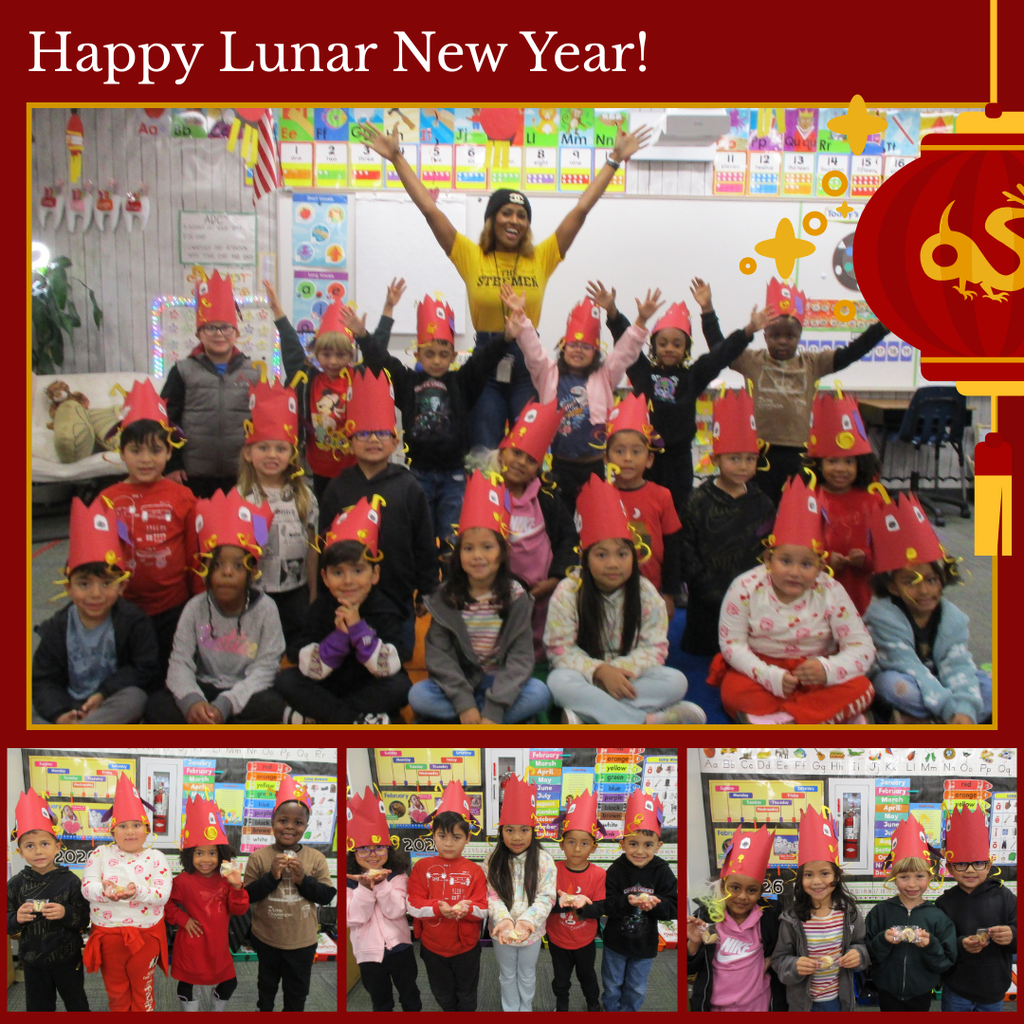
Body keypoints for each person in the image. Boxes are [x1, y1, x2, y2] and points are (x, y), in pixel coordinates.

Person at [359, 120, 653, 448]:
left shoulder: (542, 257)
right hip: (486, 362)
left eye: (521, 215)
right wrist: (398, 158)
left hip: (530, 363)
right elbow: (429, 210)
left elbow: (581, 209)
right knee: (484, 450)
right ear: (492, 219)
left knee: (528, 449)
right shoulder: (471, 255)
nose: (514, 220)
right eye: (506, 212)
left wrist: (613, 161)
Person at [589, 276, 774, 516]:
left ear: (685, 349)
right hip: (643, 457)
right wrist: (613, 311)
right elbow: (626, 342)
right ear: (653, 346)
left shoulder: (693, 376)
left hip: (679, 460)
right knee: (640, 510)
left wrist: (739, 326)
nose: (669, 348)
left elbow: (721, 354)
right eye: (663, 343)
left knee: (679, 513)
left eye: (677, 344)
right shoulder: (642, 371)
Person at [709, 277, 890, 506]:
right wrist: (708, 310)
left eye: (790, 336)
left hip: (799, 452)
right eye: (775, 336)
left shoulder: (812, 363)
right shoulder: (751, 361)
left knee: (794, 507)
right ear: (765, 336)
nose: (782, 342)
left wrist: (882, 328)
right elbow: (719, 350)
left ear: (799, 337)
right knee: (759, 507)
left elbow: (851, 353)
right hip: (759, 451)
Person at [712, 473, 876, 724]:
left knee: (863, 687)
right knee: (734, 692)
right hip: (761, 671)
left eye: (807, 564)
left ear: (821, 566)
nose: (795, 573)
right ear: (768, 560)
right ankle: (817, 717)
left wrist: (827, 669)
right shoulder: (745, 587)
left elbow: (862, 647)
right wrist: (769, 676)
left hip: (814, 674)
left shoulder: (830, 589)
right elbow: (732, 645)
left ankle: (784, 720)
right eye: (785, 561)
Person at [544, 476, 703, 724]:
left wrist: (617, 671)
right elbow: (559, 649)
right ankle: (645, 722)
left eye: (622, 554)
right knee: (557, 682)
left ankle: (589, 717)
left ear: (634, 555)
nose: (613, 564)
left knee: (675, 681)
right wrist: (600, 671)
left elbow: (655, 649)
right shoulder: (568, 592)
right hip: (585, 676)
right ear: (585, 558)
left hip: (630, 676)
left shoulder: (646, 593)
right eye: (601, 554)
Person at [360, 291, 509, 551]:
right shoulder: (407, 382)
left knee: (452, 539)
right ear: (418, 355)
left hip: (454, 477)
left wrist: (507, 335)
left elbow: (484, 360)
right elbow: (381, 361)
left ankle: (449, 584)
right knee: (422, 537)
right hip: (418, 474)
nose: (437, 360)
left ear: (453, 356)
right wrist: (362, 336)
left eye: (443, 353)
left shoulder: (462, 383)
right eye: (430, 354)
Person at [505, 284, 662, 512]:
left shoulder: (605, 375)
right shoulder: (548, 373)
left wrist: (640, 321)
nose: (578, 350)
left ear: (596, 352)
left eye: (586, 347)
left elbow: (625, 352)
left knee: (593, 516)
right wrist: (521, 315)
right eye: (573, 345)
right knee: (560, 516)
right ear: (563, 347)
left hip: (593, 466)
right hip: (558, 464)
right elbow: (533, 350)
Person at [412, 472, 550, 724]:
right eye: (468, 548)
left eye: (487, 547)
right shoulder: (445, 597)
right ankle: (475, 718)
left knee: (539, 693)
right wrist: (464, 704)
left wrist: (494, 709)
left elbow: (520, 658)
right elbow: (440, 656)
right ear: (458, 553)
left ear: (503, 552)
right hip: (459, 684)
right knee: (419, 695)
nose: (477, 556)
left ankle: (481, 720)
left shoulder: (516, 597)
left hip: (501, 683)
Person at [318, 367, 438, 656]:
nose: (373, 440)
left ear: (395, 442)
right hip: (345, 597)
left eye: (382, 433)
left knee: (398, 658)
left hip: (397, 599)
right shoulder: (337, 488)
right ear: (350, 440)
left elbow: (424, 543)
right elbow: (324, 542)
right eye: (363, 433)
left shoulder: (409, 487)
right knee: (347, 659)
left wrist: (426, 590)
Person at [145, 489, 288, 724]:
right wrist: (192, 702)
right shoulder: (194, 608)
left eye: (237, 566)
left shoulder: (266, 609)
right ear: (206, 569)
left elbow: (266, 667)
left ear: (252, 571)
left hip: (242, 693)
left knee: (271, 707)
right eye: (218, 564)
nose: (227, 572)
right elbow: (180, 662)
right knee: (156, 706)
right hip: (204, 688)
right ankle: (206, 722)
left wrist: (226, 705)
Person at [275, 496, 412, 724]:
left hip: (368, 686)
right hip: (327, 686)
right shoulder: (320, 609)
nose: (348, 581)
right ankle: (359, 720)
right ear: (325, 578)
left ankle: (324, 719)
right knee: (286, 681)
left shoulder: (385, 608)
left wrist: (359, 630)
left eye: (358, 571)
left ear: (375, 574)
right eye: (338, 573)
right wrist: (339, 638)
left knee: (401, 686)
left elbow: (388, 667)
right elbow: (306, 665)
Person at [263, 277, 402, 500]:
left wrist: (388, 307)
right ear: (317, 354)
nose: (333, 362)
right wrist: (276, 309)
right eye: (326, 355)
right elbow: (290, 345)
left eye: (341, 355)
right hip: (318, 469)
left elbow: (378, 348)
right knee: (326, 520)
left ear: (350, 355)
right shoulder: (307, 378)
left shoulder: (358, 376)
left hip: (356, 467)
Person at [863, 490, 991, 724]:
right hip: (905, 676)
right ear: (892, 587)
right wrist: (950, 709)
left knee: (990, 687)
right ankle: (941, 720)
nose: (924, 591)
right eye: (910, 582)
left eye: (931, 580)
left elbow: (957, 664)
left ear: (942, 579)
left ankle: (927, 720)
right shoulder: (882, 617)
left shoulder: (953, 618)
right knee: (894, 687)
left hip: (940, 681)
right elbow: (908, 665)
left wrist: (964, 708)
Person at [100, 377, 199, 670]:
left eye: (156, 451)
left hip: (174, 607)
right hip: (123, 607)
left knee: (173, 669)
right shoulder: (107, 499)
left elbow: (194, 553)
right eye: (135, 451)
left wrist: (198, 601)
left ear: (169, 453)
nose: (146, 460)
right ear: (121, 453)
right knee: (133, 669)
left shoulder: (183, 497)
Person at [32, 496, 159, 725]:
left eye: (106, 583)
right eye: (84, 584)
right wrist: (60, 713)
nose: (95, 594)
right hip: (68, 703)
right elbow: (43, 680)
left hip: (109, 700)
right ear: (69, 588)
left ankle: (80, 735)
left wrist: (104, 693)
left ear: (122, 587)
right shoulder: (57, 628)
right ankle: (79, 730)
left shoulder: (133, 621)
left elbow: (144, 668)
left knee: (136, 698)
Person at [679, 385, 775, 656]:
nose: (743, 466)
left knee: (746, 648)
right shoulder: (698, 499)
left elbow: (769, 547)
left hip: (750, 596)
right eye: (734, 458)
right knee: (705, 651)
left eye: (750, 459)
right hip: (706, 594)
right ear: (716, 459)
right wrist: (703, 584)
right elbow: (686, 547)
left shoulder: (763, 503)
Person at [162, 271, 263, 499]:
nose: (219, 334)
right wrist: (172, 464)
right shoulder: (182, 371)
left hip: (242, 472)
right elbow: (168, 419)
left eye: (225, 327)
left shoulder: (254, 372)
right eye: (210, 327)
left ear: (236, 332)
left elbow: (263, 422)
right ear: (199, 333)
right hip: (193, 474)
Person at [236, 374, 318, 647]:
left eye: (281, 448)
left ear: (292, 454)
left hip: (296, 592)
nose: (272, 455)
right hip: (253, 593)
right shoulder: (239, 497)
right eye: (263, 447)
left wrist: (314, 593)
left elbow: (313, 548)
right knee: (255, 652)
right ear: (248, 453)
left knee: (299, 651)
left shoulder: (304, 496)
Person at [243, 777, 336, 1012]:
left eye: (298, 822)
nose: (290, 827)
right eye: (283, 820)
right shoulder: (259, 857)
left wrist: (304, 880)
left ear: (306, 826)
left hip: (302, 941)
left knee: (297, 993)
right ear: (272, 822)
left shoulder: (316, 858)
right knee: (266, 986)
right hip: (267, 938)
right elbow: (247, 897)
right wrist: (271, 876)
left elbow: (326, 896)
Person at [81, 772, 171, 1012]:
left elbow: (162, 894)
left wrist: (137, 893)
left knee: (143, 989)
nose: (130, 831)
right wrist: (104, 891)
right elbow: (87, 888)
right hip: (109, 935)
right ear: (112, 831)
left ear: (147, 829)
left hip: (146, 934)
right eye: (122, 826)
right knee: (116, 990)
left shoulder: (157, 857)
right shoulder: (99, 854)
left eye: (136, 825)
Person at [496, 399, 579, 660]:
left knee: (541, 638)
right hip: (497, 593)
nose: (521, 462)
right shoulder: (486, 496)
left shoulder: (548, 500)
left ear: (538, 468)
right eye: (516, 453)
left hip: (544, 591)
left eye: (531, 460)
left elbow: (568, 538)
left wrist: (555, 578)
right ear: (502, 455)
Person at [773, 808, 868, 1012]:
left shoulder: (848, 912)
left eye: (825, 873)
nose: (817, 882)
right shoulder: (792, 918)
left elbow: (862, 944)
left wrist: (858, 954)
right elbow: (779, 960)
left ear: (837, 876)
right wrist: (794, 965)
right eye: (808, 875)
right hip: (802, 1004)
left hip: (839, 999)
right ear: (800, 879)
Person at [406, 781, 488, 1012]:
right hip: (433, 947)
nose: (449, 843)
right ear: (433, 835)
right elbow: (412, 905)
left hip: (467, 948)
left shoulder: (475, 870)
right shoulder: (422, 867)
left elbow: (484, 907)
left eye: (457, 837)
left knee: (467, 994)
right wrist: (436, 908)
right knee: (442, 993)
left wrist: (467, 908)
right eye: (442, 836)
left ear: (468, 839)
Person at [7, 788, 91, 1012]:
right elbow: (5, 922)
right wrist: (16, 918)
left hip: (68, 959)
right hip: (32, 962)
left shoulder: (71, 881)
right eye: (29, 846)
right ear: (21, 851)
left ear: (57, 846)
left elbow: (84, 919)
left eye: (44, 843)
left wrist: (66, 913)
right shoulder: (15, 884)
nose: (38, 851)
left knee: (77, 1003)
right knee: (38, 1007)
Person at [687, 823, 786, 1011]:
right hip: (716, 1007)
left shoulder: (769, 918)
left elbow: (783, 952)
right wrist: (693, 944)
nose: (742, 896)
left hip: (758, 1005)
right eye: (735, 888)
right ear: (723, 887)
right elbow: (689, 969)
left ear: (760, 893)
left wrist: (770, 960)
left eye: (751, 890)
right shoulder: (706, 918)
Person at [164, 795, 249, 1011]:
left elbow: (239, 910)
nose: (206, 859)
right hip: (192, 945)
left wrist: (237, 886)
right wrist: (183, 919)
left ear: (221, 854)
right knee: (188, 983)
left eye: (212, 853)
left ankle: (215, 1009)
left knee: (230, 981)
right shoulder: (182, 881)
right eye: (199, 853)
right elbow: (164, 903)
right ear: (189, 856)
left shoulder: (226, 877)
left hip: (218, 946)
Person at [864, 814, 956, 1011]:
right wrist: (883, 940)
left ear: (930, 877)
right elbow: (868, 955)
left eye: (920, 876)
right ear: (894, 878)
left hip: (921, 991)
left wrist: (930, 945)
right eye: (904, 876)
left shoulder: (938, 917)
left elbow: (946, 962)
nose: (912, 884)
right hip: (887, 990)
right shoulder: (879, 913)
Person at [604, 391, 682, 621]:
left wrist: (669, 594)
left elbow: (673, 550)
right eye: (619, 451)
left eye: (636, 452)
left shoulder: (662, 496)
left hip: (651, 588)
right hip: (607, 588)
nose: (627, 458)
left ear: (649, 459)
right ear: (606, 459)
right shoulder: (600, 495)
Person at [805, 388, 882, 615]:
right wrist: (825, 560)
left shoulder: (873, 500)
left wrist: (867, 558)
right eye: (832, 461)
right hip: (816, 589)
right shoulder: (810, 499)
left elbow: (885, 548)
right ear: (819, 464)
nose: (840, 469)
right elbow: (798, 545)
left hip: (860, 588)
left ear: (860, 464)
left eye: (849, 462)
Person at [484, 774, 556, 1012]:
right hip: (501, 931)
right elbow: (491, 894)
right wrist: (504, 920)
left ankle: (525, 1009)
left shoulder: (544, 860)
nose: (516, 837)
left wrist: (526, 922)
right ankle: (510, 1010)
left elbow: (546, 896)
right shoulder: (492, 860)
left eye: (524, 830)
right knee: (506, 974)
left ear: (533, 830)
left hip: (531, 933)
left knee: (526, 974)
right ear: (501, 832)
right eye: (509, 830)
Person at [345, 787, 421, 1012]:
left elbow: (396, 911)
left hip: (400, 948)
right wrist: (365, 888)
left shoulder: (397, 875)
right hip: (368, 954)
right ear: (353, 852)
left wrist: (381, 885)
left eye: (379, 848)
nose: (372, 855)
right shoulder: (348, 881)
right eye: (364, 850)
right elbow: (354, 918)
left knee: (410, 996)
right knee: (381, 1001)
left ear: (388, 848)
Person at [601, 790, 677, 1012]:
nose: (640, 851)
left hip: (645, 946)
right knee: (612, 985)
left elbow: (674, 907)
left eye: (648, 844)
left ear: (658, 845)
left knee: (636, 988)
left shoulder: (662, 871)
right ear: (622, 843)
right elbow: (607, 904)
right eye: (633, 844)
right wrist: (629, 902)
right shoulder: (616, 869)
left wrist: (656, 904)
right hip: (615, 943)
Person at [935, 806, 1017, 1012]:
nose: (970, 869)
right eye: (961, 864)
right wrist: (961, 944)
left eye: (978, 863)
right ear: (951, 868)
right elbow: (939, 945)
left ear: (989, 866)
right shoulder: (944, 903)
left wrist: (1013, 935)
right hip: (957, 987)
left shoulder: (1004, 896)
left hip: (994, 988)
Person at [546, 788, 606, 1013]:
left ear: (594, 846)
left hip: (585, 940)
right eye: (571, 842)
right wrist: (561, 904)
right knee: (560, 979)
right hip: (557, 939)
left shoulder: (599, 874)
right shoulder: (552, 869)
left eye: (584, 843)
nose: (577, 848)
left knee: (587, 976)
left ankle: (593, 1004)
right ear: (562, 844)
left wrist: (584, 905)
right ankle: (561, 1005)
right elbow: (544, 904)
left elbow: (601, 908)